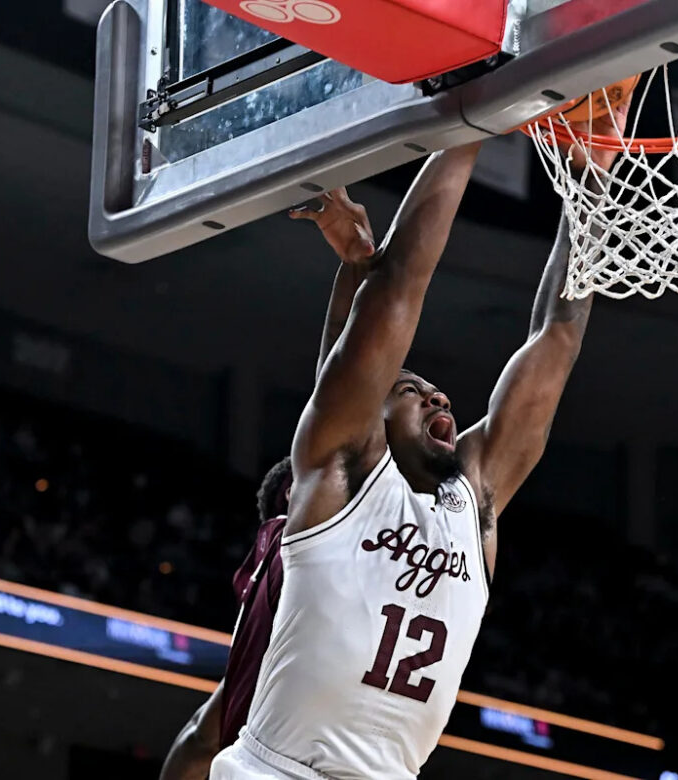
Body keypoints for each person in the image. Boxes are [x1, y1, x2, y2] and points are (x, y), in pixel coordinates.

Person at [209, 98, 631, 780]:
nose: (440, 396)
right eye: (410, 389)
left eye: (434, 390)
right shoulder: (341, 477)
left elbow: (556, 339)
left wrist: (593, 179)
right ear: (366, 418)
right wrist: (474, 117)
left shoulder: (474, 504)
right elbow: (400, 284)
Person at [160, 189, 378, 780]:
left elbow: (199, 740)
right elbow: (343, 384)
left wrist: (356, 269)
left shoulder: (262, 596)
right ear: (292, 499)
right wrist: (359, 270)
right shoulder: (301, 533)